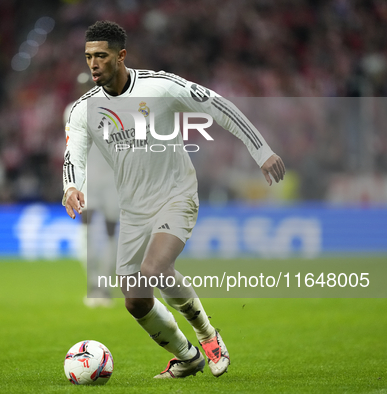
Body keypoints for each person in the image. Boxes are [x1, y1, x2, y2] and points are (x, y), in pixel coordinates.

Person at [62, 21, 285, 379]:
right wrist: (71, 187)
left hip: (176, 195)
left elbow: (218, 106)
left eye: (101, 56)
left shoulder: (160, 86)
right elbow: (74, 154)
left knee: (153, 271)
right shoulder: (83, 109)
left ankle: (209, 337)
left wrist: (261, 151)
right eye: (88, 56)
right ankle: (187, 356)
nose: (93, 64)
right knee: (134, 300)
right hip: (133, 210)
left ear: (120, 56)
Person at [64, 100, 120, 308]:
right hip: (88, 181)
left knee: (109, 233)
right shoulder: (73, 110)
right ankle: (95, 284)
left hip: (111, 180)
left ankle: (101, 287)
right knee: (90, 232)